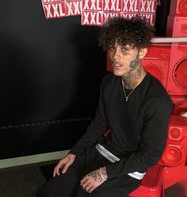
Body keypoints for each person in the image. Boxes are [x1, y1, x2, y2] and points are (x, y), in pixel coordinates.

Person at [36, 16, 173, 197]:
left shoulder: (157, 101)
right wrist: (74, 153)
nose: (115, 56)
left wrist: (104, 173)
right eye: (113, 47)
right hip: (102, 151)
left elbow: (150, 155)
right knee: (48, 192)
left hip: (129, 167)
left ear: (142, 52)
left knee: (83, 193)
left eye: (124, 50)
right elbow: (100, 123)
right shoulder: (109, 82)